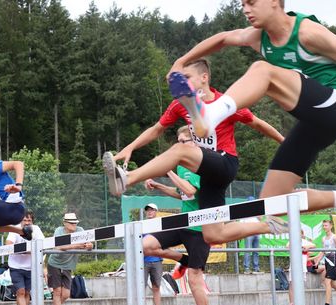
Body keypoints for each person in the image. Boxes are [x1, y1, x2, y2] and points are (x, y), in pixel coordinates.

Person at [165, 1, 336, 221]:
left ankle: (211, 114)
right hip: (313, 123)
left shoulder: (308, 33)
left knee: (263, 71)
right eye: (243, 4)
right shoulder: (257, 37)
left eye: (251, 2)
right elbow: (223, 38)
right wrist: (181, 61)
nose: (245, 9)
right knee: (272, 204)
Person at [103, 58, 286, 246]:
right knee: (213, 234)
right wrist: (130, 147)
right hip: (207, 174)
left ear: (204, 77)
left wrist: (285, 143)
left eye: (187, 77)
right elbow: (156, 129)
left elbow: (258, 123)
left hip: (225, 162)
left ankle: (128, 178)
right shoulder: (180, 105)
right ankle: (268, 226)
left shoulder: (226, 104)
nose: (183, 83)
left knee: (180, 150)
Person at [144, 127, 216, 305]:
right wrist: (159, 186)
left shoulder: (206, 166)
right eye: (178, 141)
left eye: (185, 141)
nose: (181, 145)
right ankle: (183, 260)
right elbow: (182, 194)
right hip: (183, 222)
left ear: (197, 143)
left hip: (201, 229)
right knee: (146, 245)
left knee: (195, 280)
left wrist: (168, 171)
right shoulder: (182, 167)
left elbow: (191, 191)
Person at [45, 213, 93, 305]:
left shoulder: (80, 230)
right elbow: (57, 247)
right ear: (65, 223)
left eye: (75, 222)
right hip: (54, 264)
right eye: (71, 223)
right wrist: (76, 246)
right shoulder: (59, 231)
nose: (74, 225)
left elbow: (89, 243)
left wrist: (90, 246)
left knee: (66, 294)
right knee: (57, 291)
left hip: (68, 265)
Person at [6, 210, 45, 305]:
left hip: (31, 267)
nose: (27, 222)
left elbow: (42, 245)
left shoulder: (36, 229)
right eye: (24, 220)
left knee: (27, 293)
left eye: (29, 220)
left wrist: (43, 266)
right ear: (20, 221)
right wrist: (27, 250)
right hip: (16, 266)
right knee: (21, 292)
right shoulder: (15, 229)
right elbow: (8, 244)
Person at [141, 203, 165, 305]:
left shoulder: (160, 225)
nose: (149, 212)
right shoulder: (141, 225)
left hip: (157, 261)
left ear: (156, 211)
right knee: (142, 288)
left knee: (156, 287)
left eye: (152, 210)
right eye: (148, 210)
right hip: (143, 262)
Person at [286, 230, 315, 305]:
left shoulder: (305, 242)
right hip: (294, 266)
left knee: (301, 286)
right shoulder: (291, 241)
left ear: (302, 235)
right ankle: (292, 304)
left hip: (302, 267)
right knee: (292, 284)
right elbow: (287, 246)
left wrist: (308, 247)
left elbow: (314, 245)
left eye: (300, 234)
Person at [241, 197, 261, 274]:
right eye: (250, 202)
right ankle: (247, 268)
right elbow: (241, 223)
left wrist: (257, 213)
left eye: (253, 202)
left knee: (256, 251)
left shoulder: (257, 210)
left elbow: (260, 219)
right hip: (248, 232)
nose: (252, 204)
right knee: (248, 250)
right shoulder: (244, 211)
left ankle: (256, 268)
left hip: (257, 232)